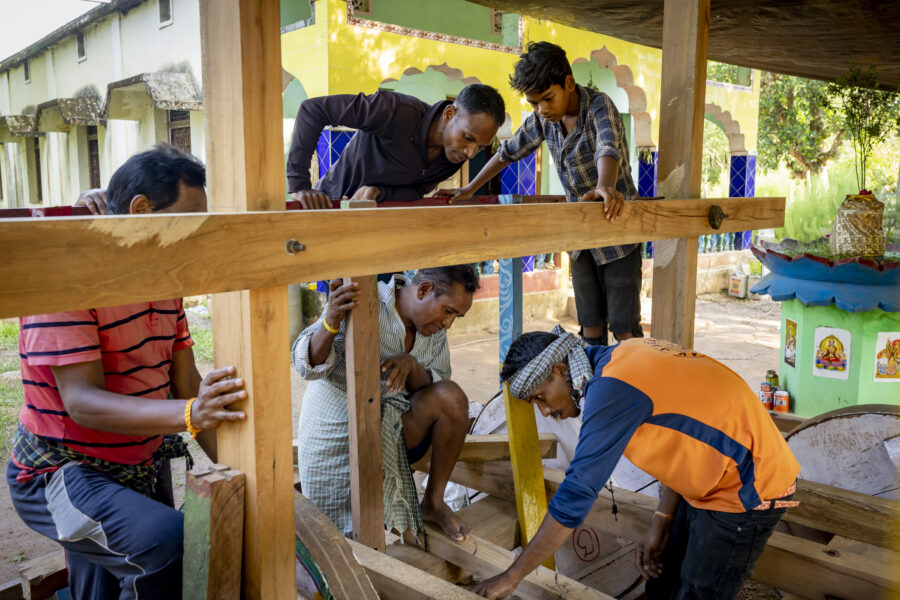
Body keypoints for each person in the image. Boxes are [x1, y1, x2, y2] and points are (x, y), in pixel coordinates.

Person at [7, 145, 246, 600]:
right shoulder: (69, 276)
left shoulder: (162, 279)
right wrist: (192, 413)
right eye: (187, 222)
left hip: (134, 465)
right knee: (167, 545)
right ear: (141, 210)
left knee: (105, 582)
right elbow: (82, 403)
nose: (196, 235)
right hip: (60, 471)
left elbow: (187, 384)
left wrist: (239, 468)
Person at [470, 327, 801, 600]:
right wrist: (662, 519)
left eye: (540, 397)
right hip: (715, 475)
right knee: (661, 585)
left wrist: (512, 576)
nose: (544, 411)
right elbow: (682, 433)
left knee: (700, 593)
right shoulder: (619, 359)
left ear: (559, 370)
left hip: (749, 484)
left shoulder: (612, 390)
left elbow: (576, 494)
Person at [443, 42, 642, 346]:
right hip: (579, 236)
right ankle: (595, 390)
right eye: (535, 103)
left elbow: (608, 146)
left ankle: (631, 389)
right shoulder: (543, 119)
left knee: (625, 329)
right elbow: (508, 152)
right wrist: (471, 188)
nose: (542, 109)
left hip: (617, 230)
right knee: (589, 326)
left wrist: (605, 185)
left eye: (548, 98)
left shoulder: (600, 107)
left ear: (569, 84)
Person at [292, 265, 479, 542]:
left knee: (452, 399)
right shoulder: (365, 299)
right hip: (336, 431)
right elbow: (306, 366)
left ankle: (433, 502)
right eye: (448, 311)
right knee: (334, 539)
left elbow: (437, 388)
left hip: (391, 428)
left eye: (457, 316)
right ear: (424, 290)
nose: (449, 323)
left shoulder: (434, 332)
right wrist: (331, 321)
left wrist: (412, 366)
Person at [286, 84, 506, 208]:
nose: (470, 152)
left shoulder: (452, 155)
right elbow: (313, 110)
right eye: (468, 137)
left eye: (479, 147)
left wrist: (381, 192)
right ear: (449, 114)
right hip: (327, 207)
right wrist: (299, 185)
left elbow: (418, 190)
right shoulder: (395, 111)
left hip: (375, 230)